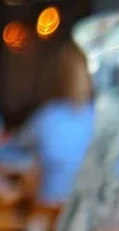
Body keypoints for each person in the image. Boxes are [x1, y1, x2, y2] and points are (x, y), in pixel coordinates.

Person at [14, 43, 95, 204]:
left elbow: (7, 154)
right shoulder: (105, 117)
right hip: (89, 213)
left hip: (51, 212)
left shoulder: (48, 117)